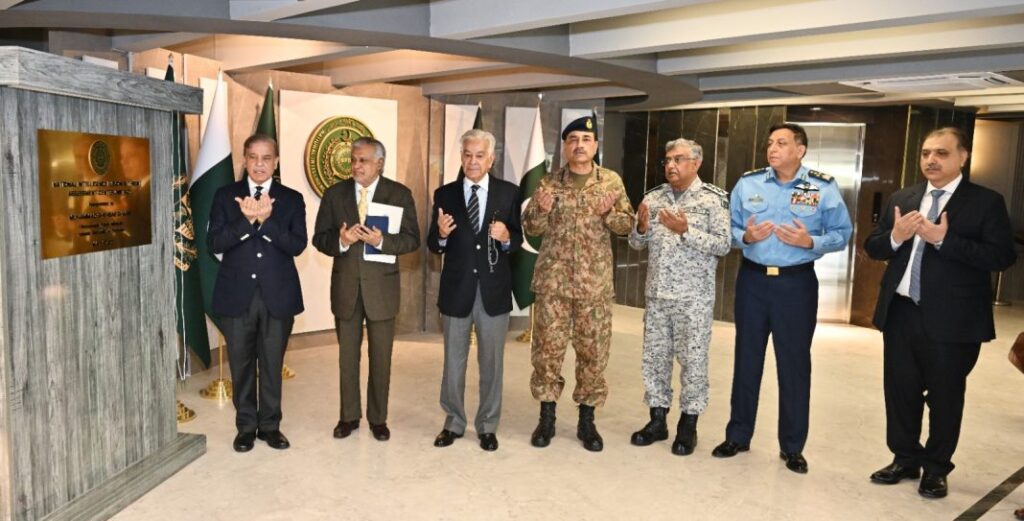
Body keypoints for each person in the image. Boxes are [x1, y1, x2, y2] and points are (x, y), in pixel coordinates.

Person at [864, 127, 1015, 498]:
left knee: (946, 397)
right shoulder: (904, 197)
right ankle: (904, 459)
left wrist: (944, 240)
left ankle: (935, 468)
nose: (931, 160)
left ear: (963, 156)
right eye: (926, 153)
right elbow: (874, 246)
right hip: (901, 313)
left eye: (942, 153)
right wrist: (896, 237)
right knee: (900, 392)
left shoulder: (985, 202)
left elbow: (1001, 256)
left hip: (954, 320)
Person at [712, 122, 852, 473]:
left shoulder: (821, 187)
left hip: (796, 285)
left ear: (800, 150)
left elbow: (843, 232)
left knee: (794, 365)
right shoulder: (749, 183)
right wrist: (745, 236)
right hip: (753, 282)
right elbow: (727, 229)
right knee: (747, 360)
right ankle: (738, 435)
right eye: (770, 143)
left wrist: (811, 242)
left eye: (782, 143)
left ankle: (792, 447)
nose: (772, 149)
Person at [522, 115, 635, 452]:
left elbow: (627, 226)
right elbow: (532, 228)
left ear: (595, 145)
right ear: (565, 147)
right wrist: (540, 210)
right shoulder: (548, 182)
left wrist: (609, 213)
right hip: (554, 285)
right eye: (572, 140)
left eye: (585, 140)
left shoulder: (610, 182)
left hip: (593, 287)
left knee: (593, 353)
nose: (579, 145)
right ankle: (546, 417)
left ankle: (587, 420)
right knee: (547, 352)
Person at [312, 136, 420, 442]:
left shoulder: (399, 194)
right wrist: (342, 240)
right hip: (345, 288)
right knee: (347, 357)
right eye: (353, 160)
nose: (356, 166)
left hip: (382, 291)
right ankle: (348, 416)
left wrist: (381, 241)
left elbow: (412, 239)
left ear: (379, 163)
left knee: (381, 358)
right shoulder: (335, 194)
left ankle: (378, 419)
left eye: (363, 160)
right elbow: (319, 238)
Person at [628, 138, 730, 455]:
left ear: (696, 163)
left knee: (693, 363)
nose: (671, 165)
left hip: (693, 299)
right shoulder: (653, 197)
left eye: (678, 159)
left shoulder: (713, 199)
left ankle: (688, 425)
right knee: (655, 360)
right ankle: (657, 420)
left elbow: (723, 244)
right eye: (668, 160)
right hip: (658, 296)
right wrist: (640, 228)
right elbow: (636, 243)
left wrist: (686, 231)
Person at [208, 134, 307, 452]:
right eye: (253, 157)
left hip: (278, 295)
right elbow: (214, 243)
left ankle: (270, 426)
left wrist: (266, 223)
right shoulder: (225, 195)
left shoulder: (291, 199)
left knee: (272, 365)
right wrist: (246, 220)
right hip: (237, 295)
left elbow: (297, 244)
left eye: (266, 158)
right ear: (245, 160)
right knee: (241, 365)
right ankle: (246, 427)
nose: (259, 164)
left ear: (275, 162)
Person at [426, 129, 523, 452]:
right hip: (457, 290)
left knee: (491, 363)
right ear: (461, 157)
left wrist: (507, 237)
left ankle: (488, 425)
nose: (473, 161)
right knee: (453, 363)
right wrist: (441, 235)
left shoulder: (508, 193)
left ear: (491, 159)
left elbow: (518, 240)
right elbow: (433, 243)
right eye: (467, 155)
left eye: (480, 155)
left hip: (493, 291)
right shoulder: (445, 194)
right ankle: (453, 422)